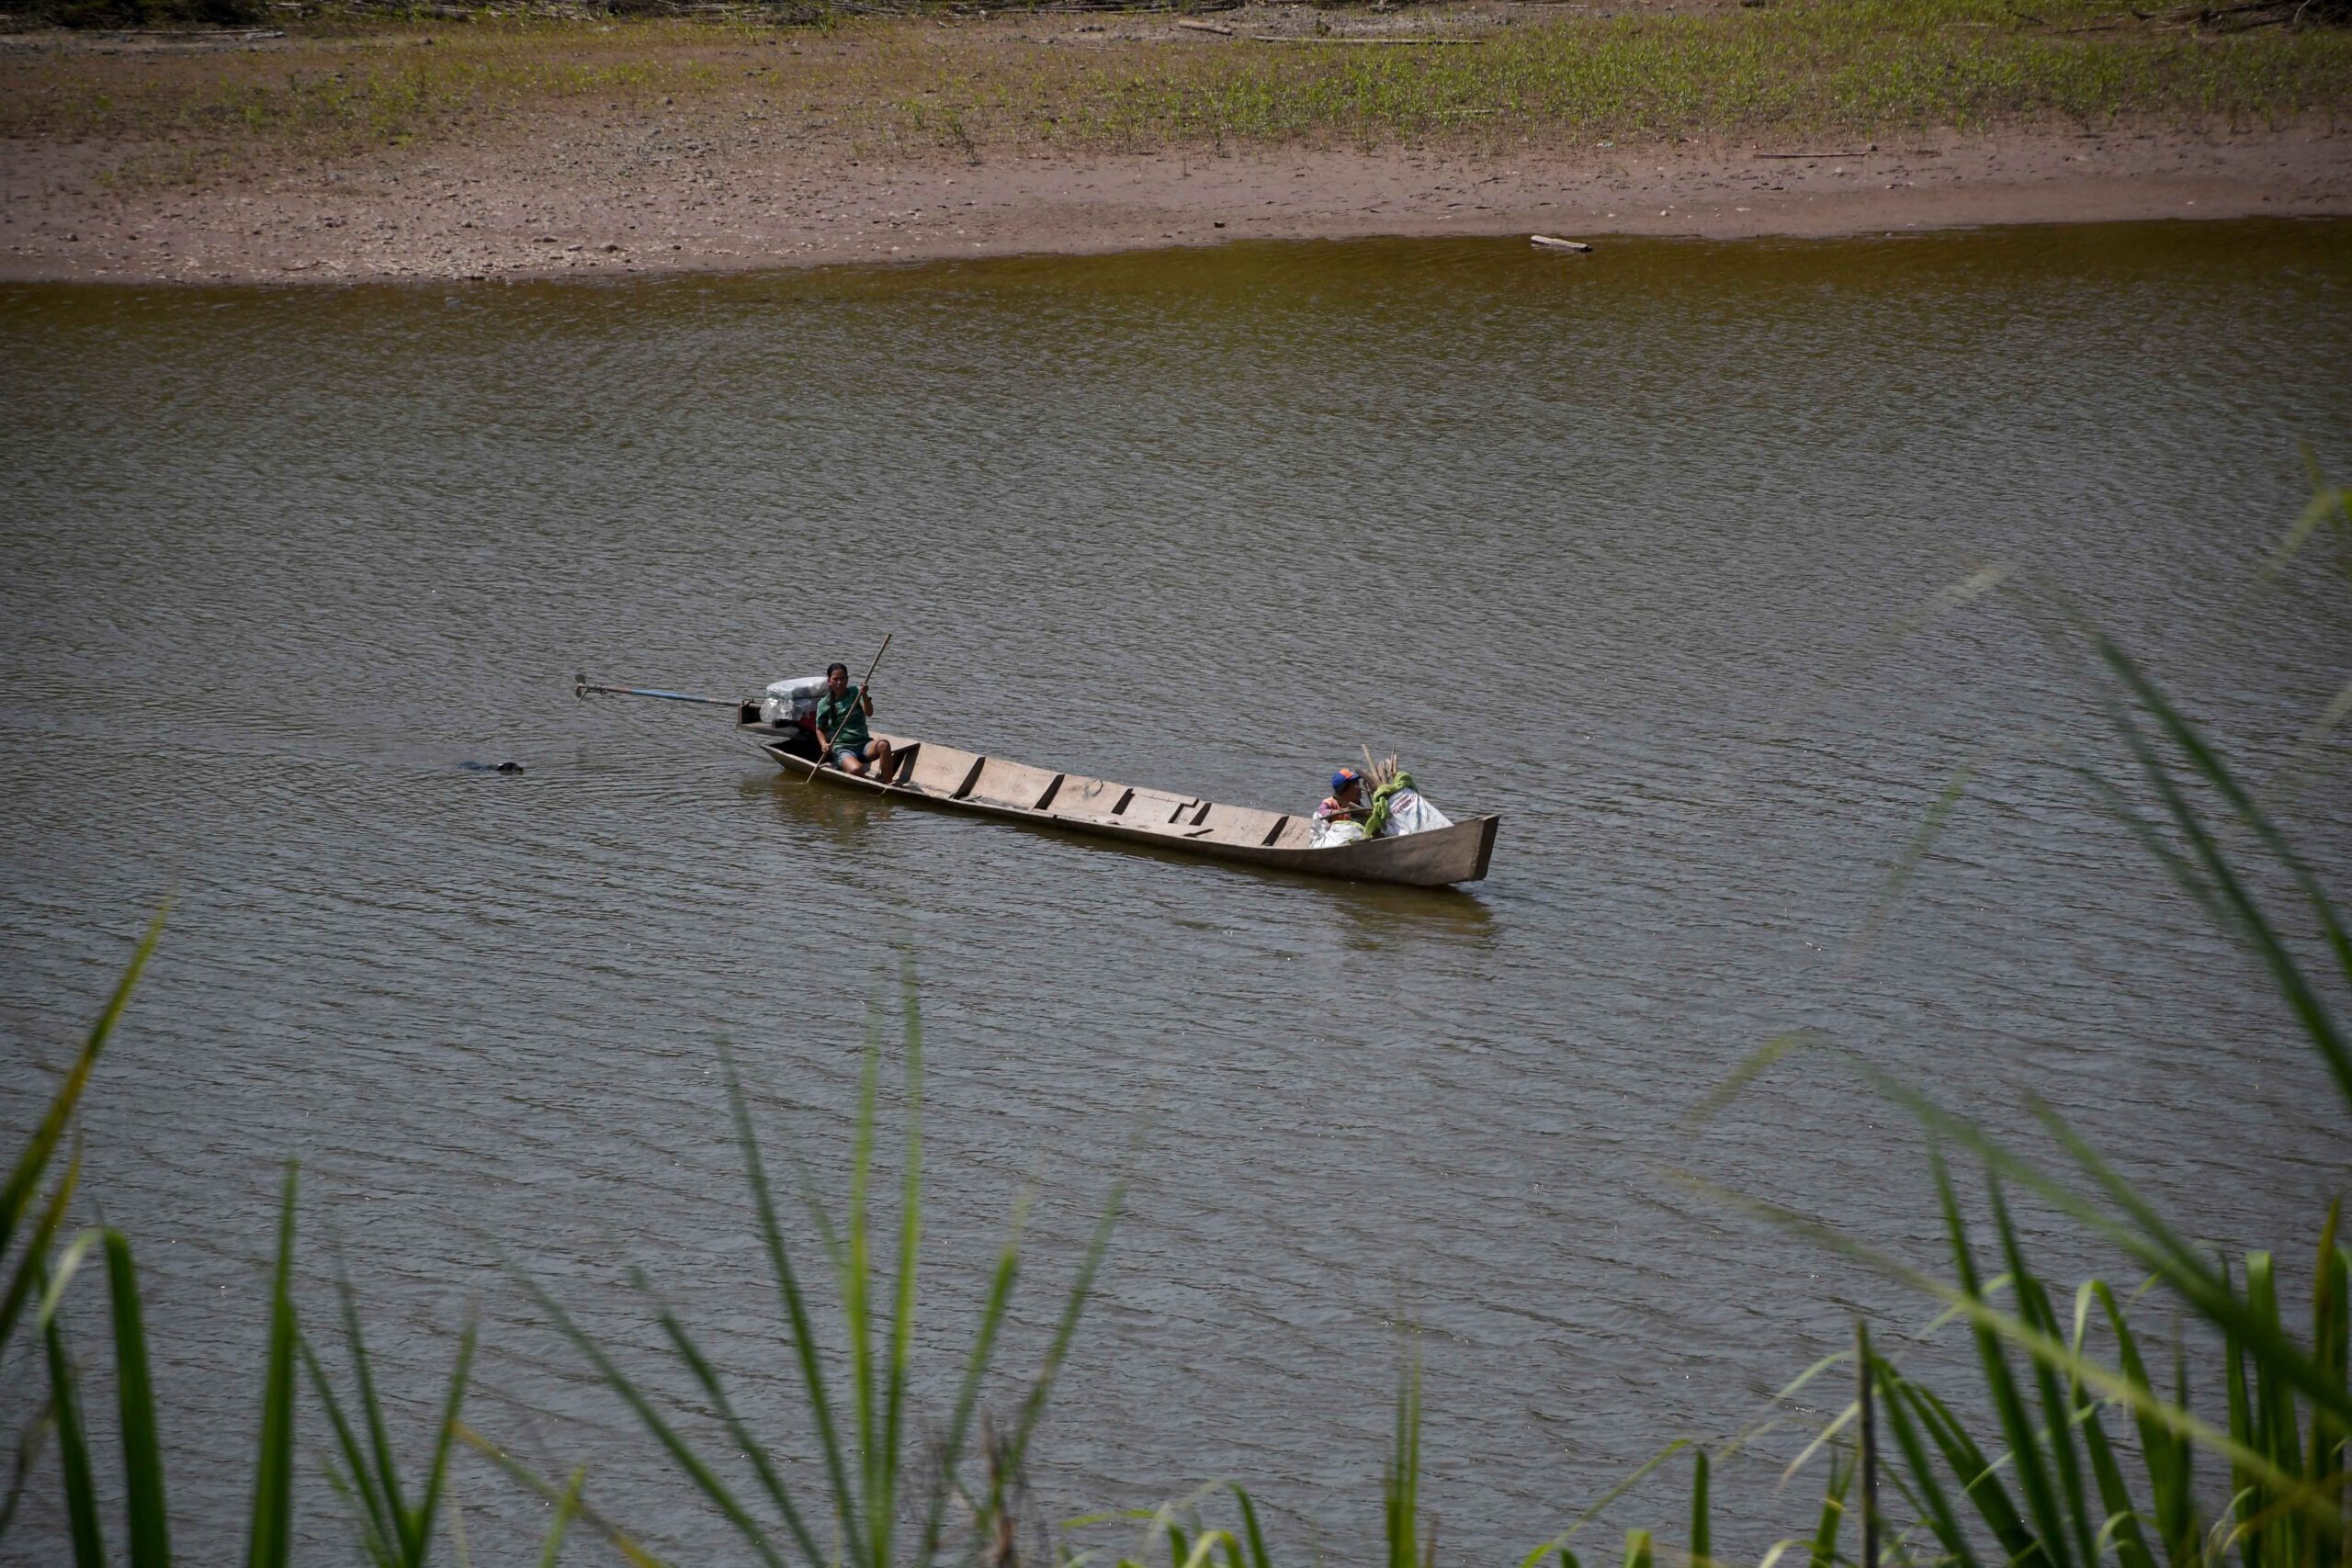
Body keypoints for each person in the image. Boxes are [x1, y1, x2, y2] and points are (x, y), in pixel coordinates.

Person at [815, 661, 893, 777]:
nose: (839, 682)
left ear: (847, 679)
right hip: (843, 748)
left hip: (864, 745)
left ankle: (887, 783)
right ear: (829, 681)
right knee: (857, 770)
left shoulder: (856, 692)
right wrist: (824, 744)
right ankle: (845, 767)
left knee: (884, 745)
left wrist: (864, 695)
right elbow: (819, 729)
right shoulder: (824, 703)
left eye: (842, 678)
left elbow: (869, 713)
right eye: (835, 679)